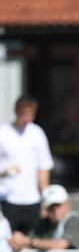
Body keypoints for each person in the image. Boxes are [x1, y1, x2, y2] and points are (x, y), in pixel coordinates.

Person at [0, 96, 53, 234]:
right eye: (24, 114)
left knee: (32, 240)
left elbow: (44, 168)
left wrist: (45, 199)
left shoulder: (37, 133)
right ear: (16, 112)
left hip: (32, 200)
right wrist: (5, 172)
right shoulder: (3, 133)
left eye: (31, 115)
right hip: (8, 199)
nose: (27, 119)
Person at [8, 185, 79, 252]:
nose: (56, 210)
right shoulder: (43, 224)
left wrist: (28, 242)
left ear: (67, 205)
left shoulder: (73, 220)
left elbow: (61, 245)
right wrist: (18, 243)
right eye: (51, 207)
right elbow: (27, 244)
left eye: (58, 205)